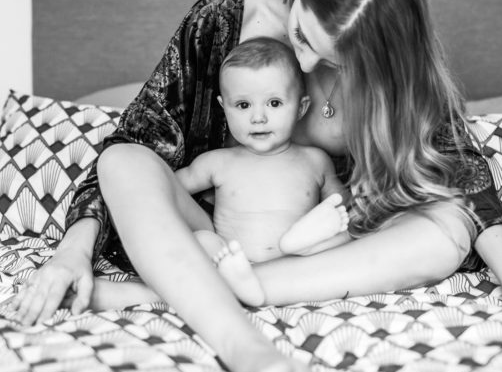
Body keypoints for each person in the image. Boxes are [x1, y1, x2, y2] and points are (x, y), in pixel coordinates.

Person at [10, 0, 502, 372]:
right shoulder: (222, 18)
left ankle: (190, 290)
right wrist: (72, 251)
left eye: (324, 53)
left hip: (317, 245)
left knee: (448, 226)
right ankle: (244, 348)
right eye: (301, 35)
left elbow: (472, 191)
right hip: (206, 230)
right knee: (123, 161)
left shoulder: (395, 71)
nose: (302, 60)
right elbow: (140, 138)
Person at [90, 36, 351, 311]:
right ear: (223, 107)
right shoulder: (216, 163)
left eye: (274, 103)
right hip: (227, 261)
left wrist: (340, 216)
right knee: (203, 241)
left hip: (295, 266)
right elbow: (162, 189)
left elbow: (339, 205)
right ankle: (233, 283)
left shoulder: (315, 160)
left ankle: (292, 247)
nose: (258, 117)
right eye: (243, 105)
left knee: (344, 236)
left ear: (300, 107)